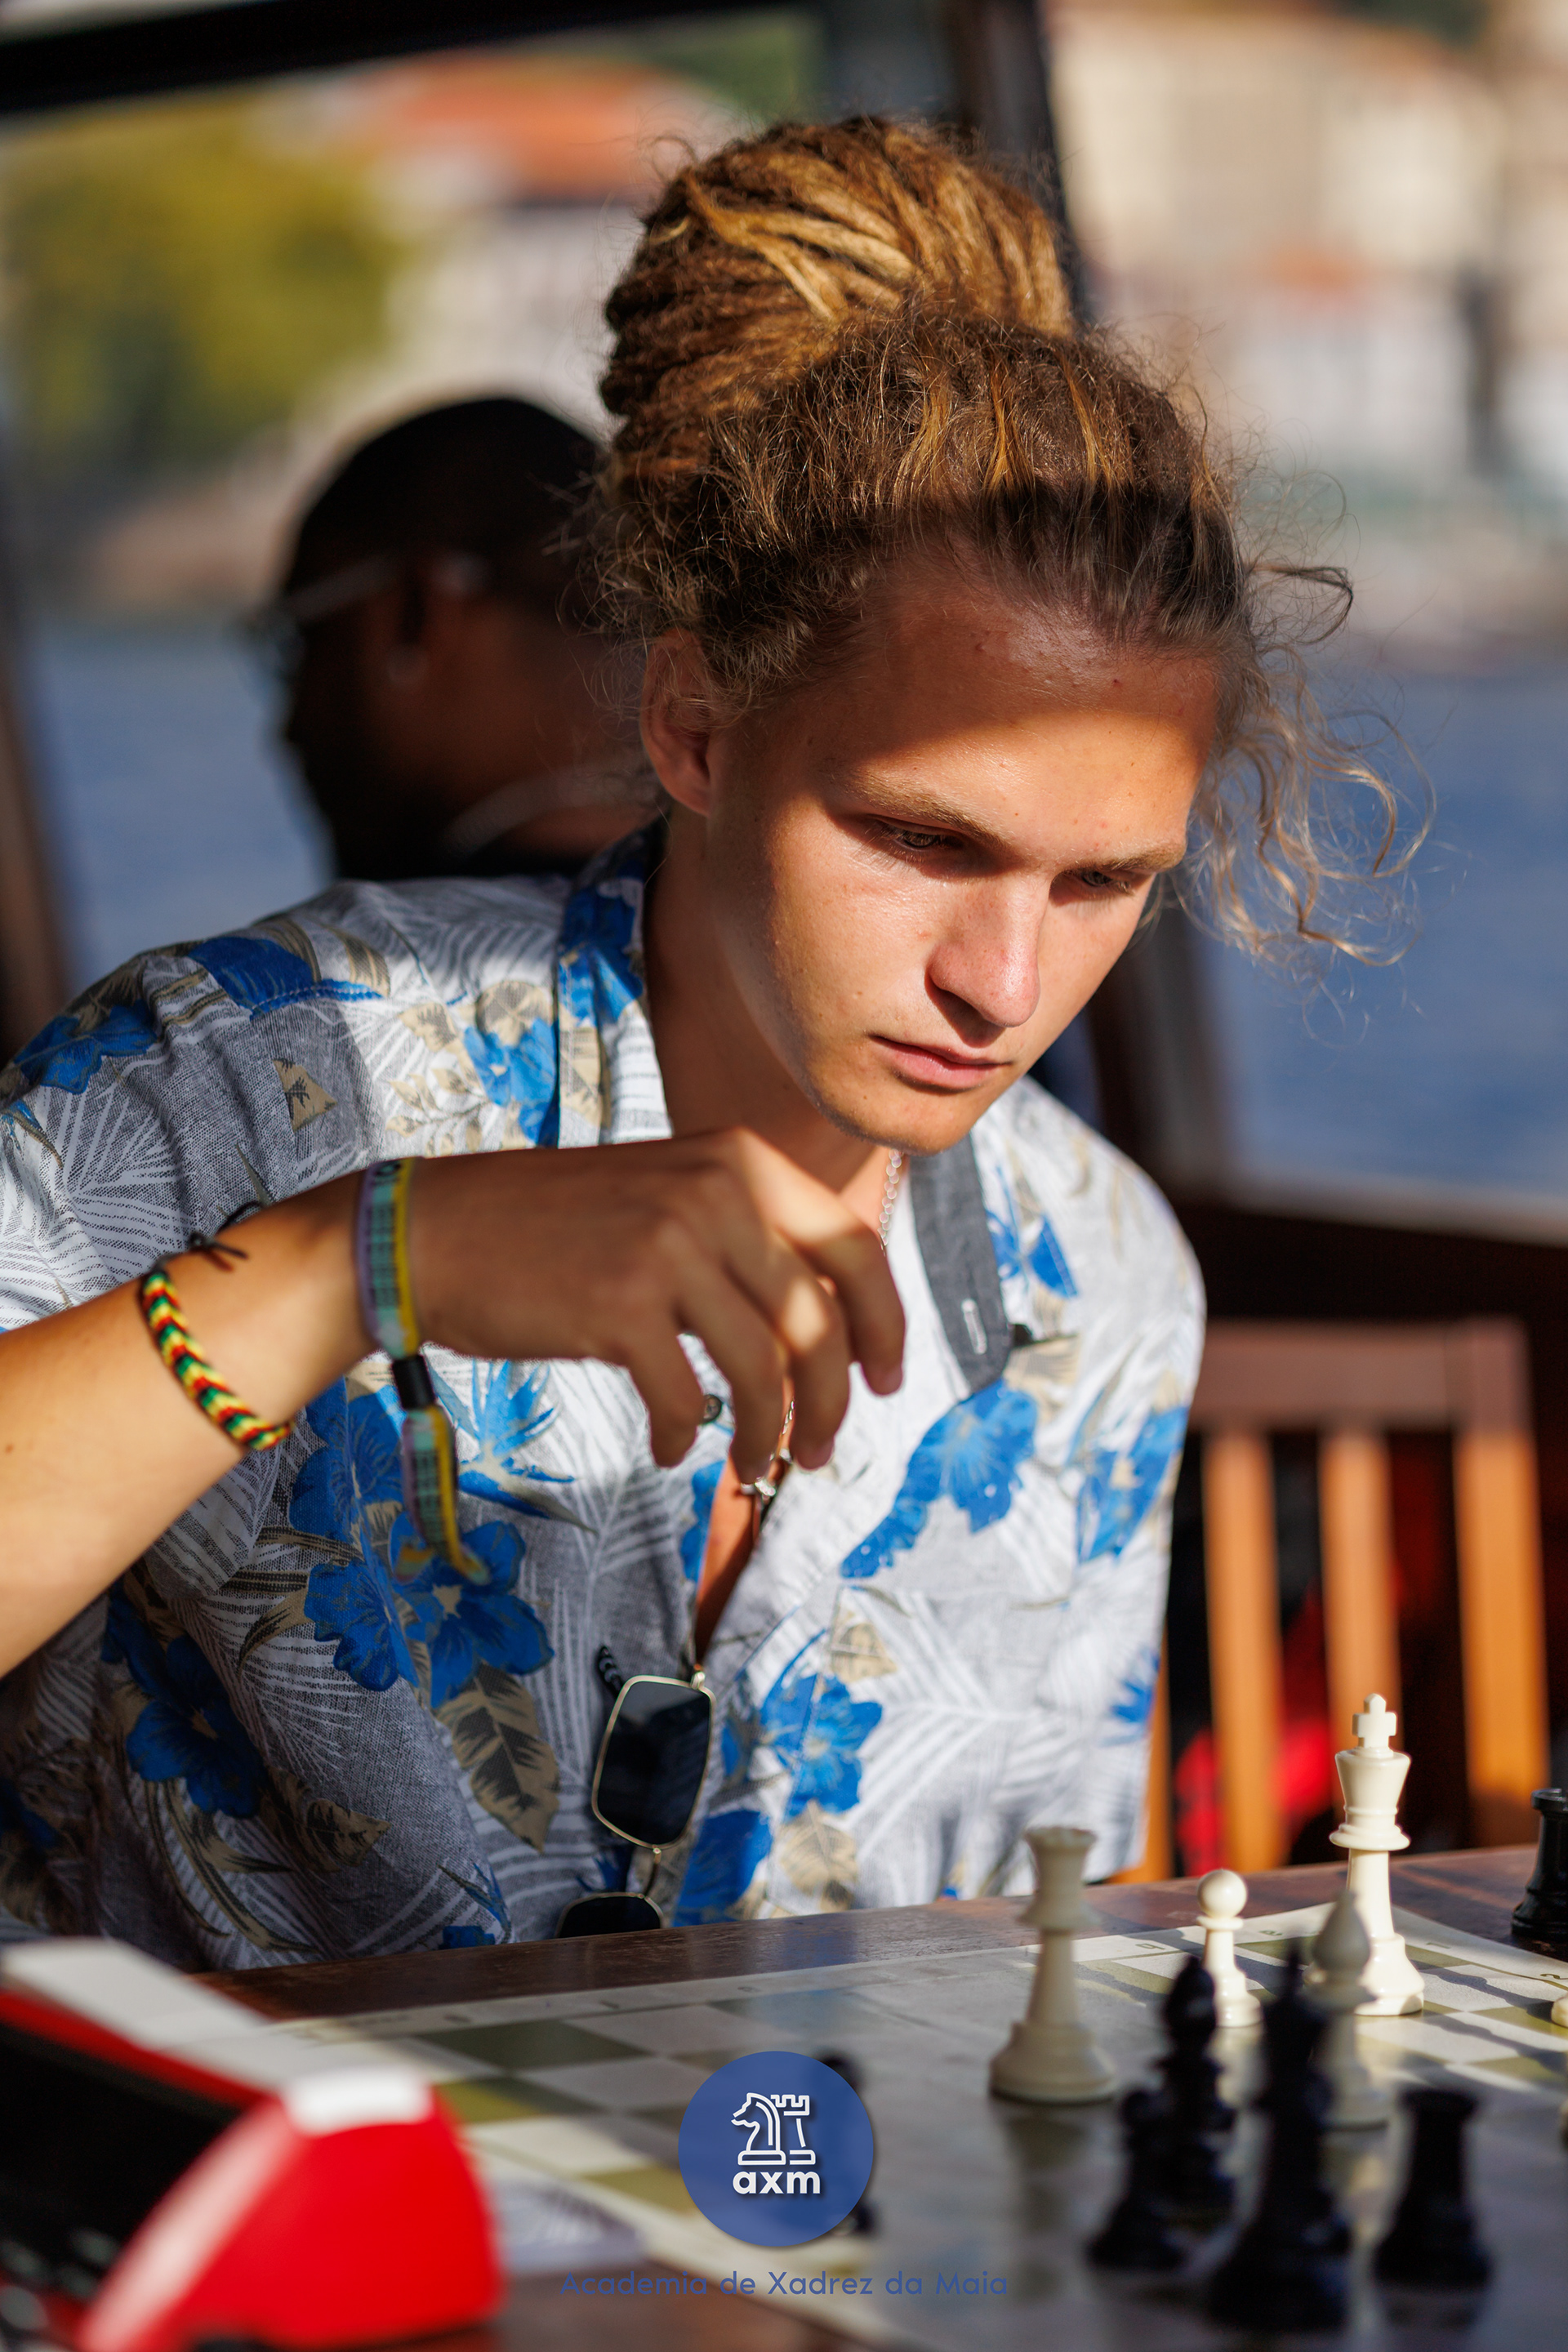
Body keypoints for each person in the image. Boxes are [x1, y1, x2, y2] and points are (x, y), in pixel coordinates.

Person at [0, 121, 1389, 1964]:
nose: (1002, 984)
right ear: (694, 729)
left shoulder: (1105, 1283)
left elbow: (1000, 1988)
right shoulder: (236, 1077)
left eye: (1103, 883)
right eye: (921, 840)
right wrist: (350, 1268)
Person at [261, 395, 652, 880]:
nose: (289, 727)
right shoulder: (721, 908)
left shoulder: (363, 931)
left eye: (306, 643)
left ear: (418, 616)